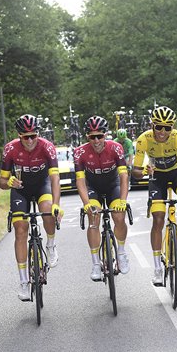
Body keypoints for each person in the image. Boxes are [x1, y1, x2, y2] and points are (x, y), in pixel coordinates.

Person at [0, 114, 62, 301]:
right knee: (20, 229)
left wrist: (57, 204)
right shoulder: (10, 149)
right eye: (25, 136)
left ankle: (50, 245)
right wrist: (9, 181)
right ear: (19, 135)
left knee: (48, 211)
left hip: (42, 185)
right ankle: (24, 282)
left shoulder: (47, 147)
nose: (29, 140)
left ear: (38, 134)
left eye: (33, 136)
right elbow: (1, 182)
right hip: (20, 190)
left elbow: (55, 178)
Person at [132, 106, 177, 285]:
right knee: (158, 218)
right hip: (156, 177)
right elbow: (134, 172)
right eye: (158, 126)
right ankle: (157, 269)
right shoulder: (143, 139)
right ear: (152, 124)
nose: (162, 131)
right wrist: (144, 170)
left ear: (172, 127)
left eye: (167, 128)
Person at [75, 116, 130, 281]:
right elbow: (80, 181)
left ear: (106, 135)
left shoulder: (116, 148)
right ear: (87, 137)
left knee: (119, 216)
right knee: (93, 218)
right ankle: (95, 264)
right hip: (93, 188)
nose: (97, 140)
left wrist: (123, 200)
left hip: (113, 185)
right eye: (93, 137)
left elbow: (124, 175)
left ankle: (121, 253)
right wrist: (86, 204)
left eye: (100, 136)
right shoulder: (80, 152)